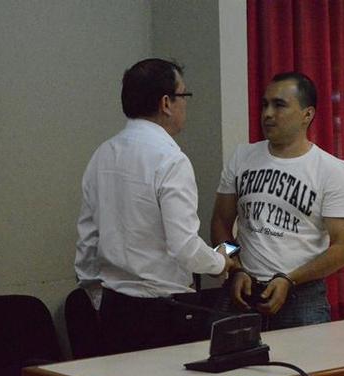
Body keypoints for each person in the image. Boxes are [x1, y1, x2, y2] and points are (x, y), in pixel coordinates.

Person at [74, 58, 236, 354]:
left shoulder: (103, 154)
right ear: (166, 103)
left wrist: (100, 299)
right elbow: (184, 246)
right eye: (184, 95)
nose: (186, 105)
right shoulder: (171, 159)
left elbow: (87, 240)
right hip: (164, 313)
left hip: (114, 307)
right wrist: (220, 262)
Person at [211, 72, 344, 330]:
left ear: (307, 114)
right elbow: (220, 223)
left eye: (279, 105)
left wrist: (290, 280)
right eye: (264, 105)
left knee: (305, 369)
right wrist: (233, 267)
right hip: (242, 290)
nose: (267, 113)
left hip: (302, 296)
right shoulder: (242, 157)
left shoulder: (331, 169)